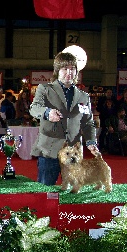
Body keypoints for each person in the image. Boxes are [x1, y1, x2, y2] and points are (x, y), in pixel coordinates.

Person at [29, 52, 99, 185]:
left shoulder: (84, 96)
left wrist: (91, 142)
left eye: (72, 69)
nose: (69, 72)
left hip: (74, 153)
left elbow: (88, 123)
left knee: (74, 191)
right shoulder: (44, 89)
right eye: (65, 68)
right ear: (57, 70)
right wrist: (47, 112)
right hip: (49, 150)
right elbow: (34, 108)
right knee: (46, 191)